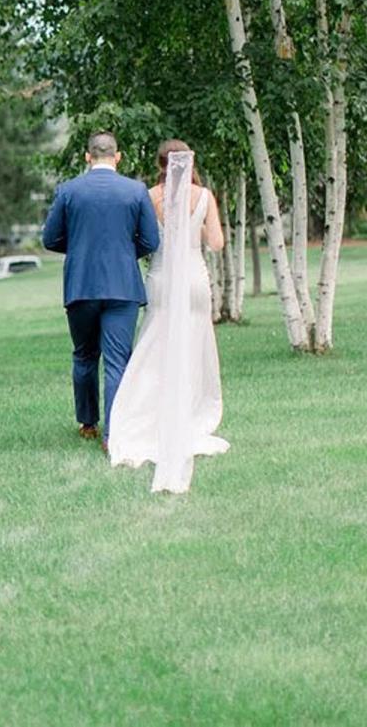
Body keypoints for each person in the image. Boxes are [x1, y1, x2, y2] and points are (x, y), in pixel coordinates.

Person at [108, 140, 230, 493]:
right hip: (193, 279)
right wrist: (199, 226)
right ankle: (189, 416)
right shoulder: (204, 196)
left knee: (155, 348)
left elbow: (143, 240)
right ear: (189, 161)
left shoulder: (149, 197)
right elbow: (217, 243)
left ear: (159, 163)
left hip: (161, 280)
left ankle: (148, 416)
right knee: (192, 348)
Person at [41, 131, 160, 445]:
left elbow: (50, 239)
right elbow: (151, 240)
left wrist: (81, 249)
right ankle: (114, 433)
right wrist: (124, 254)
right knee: (117, 361)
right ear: (117, 157)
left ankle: (88, 423)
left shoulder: (68, 190)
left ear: (87, 156)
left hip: (81, 285)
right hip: (122, 286)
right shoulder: (135, 190)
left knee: (84, 355)